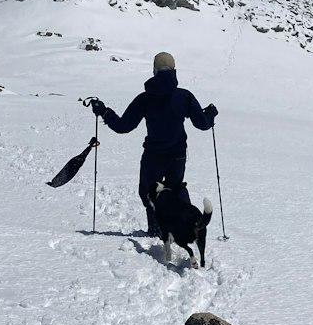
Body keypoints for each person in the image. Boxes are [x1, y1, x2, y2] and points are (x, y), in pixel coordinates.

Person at [89, 52, 217, 236]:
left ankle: (156, 229)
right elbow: (202, 124)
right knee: (177, 188)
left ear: (154, 71)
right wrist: (211, 114)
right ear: (174, 71)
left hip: (153, 155)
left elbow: (123, 126)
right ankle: (189, 224)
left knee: (148, 192)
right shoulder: (184, 96)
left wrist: (104, 112)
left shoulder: (145, 99)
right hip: (177, 155)